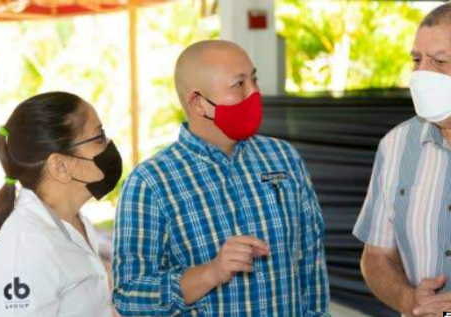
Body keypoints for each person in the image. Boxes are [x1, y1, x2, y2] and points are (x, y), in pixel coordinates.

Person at [113, 40, 330, 317]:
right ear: (197, 103)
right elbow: (129, 297)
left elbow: (311, 258)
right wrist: (210, 273)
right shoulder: (151, 182)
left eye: (254, 80)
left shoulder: (283, 157)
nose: (254, 94)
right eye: (239, 85)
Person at [0, 92, 122, 317]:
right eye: (99, 137)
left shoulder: (73, 222)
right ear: (60, 166)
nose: (109, 145)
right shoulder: (24, 248)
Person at [353, 3, 451, 316]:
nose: (422, 74)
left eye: (440, 61)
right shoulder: (396, 145)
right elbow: (376, 256)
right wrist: (408, 299)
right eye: (417, 60)